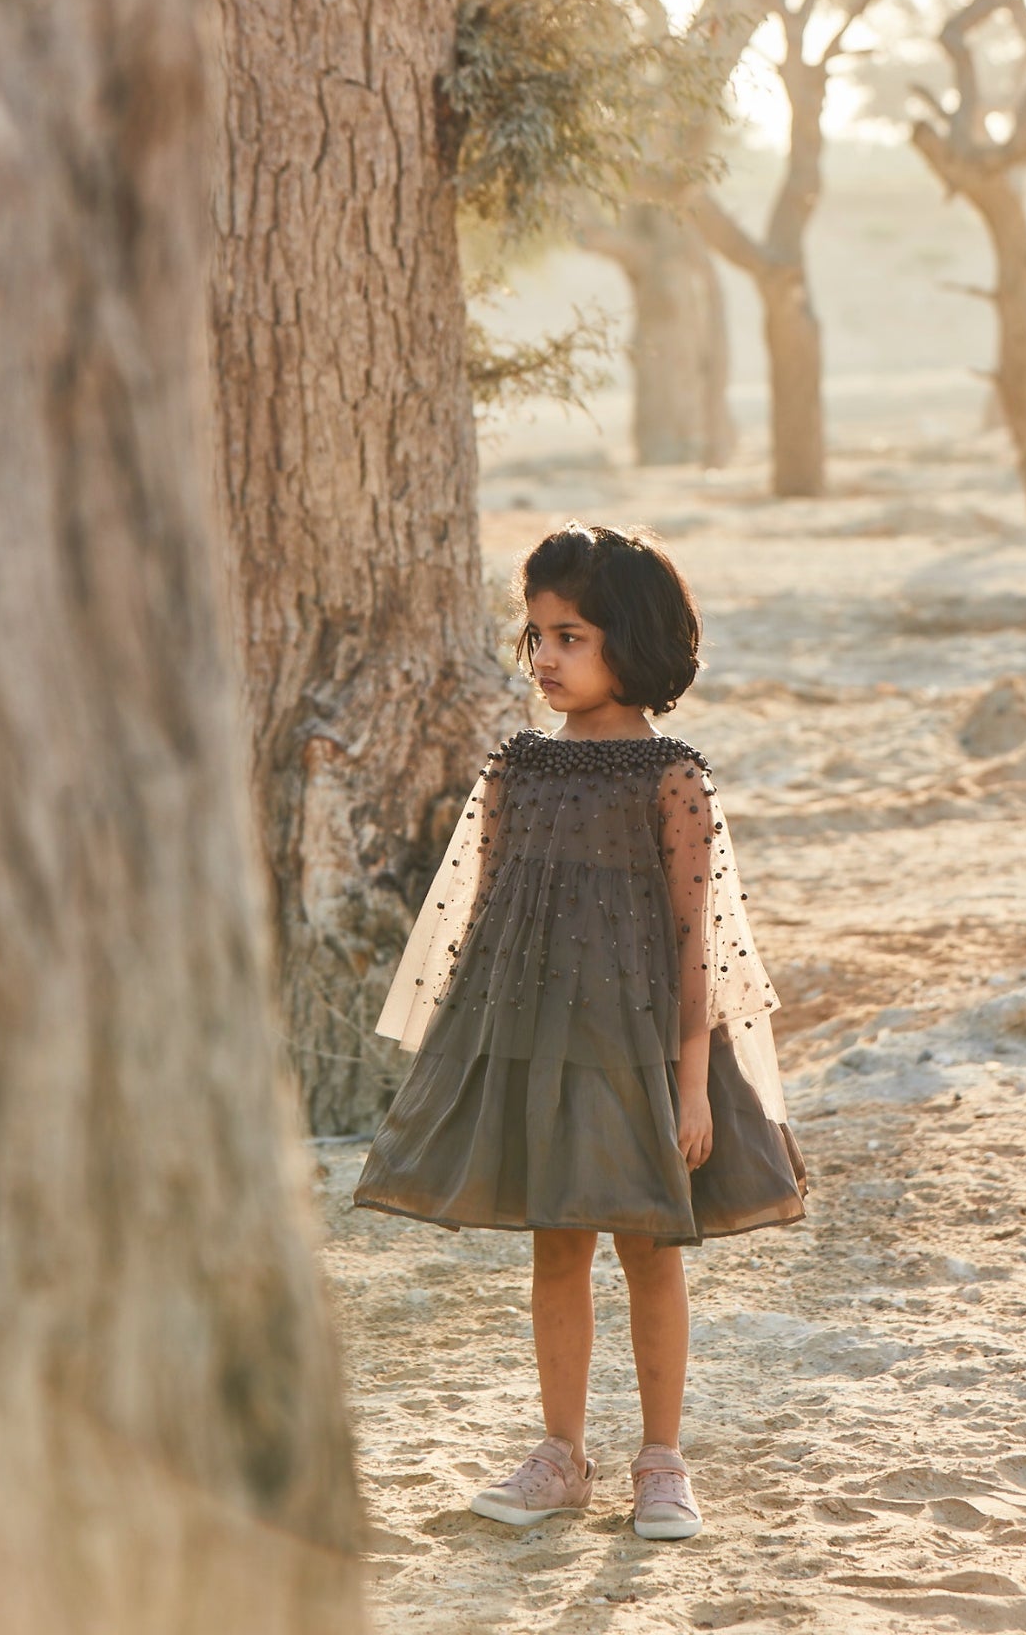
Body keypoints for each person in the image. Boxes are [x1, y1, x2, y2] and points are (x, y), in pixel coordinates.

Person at [354, 522, 807, 1540]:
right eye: (535, 637)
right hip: (539, 1045)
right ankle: (561, 1452)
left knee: (650, 1244)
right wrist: (474, 1064)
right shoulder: (515, 772)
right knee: (556, 1243)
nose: (546, 658)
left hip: (642, 1050)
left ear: (631, 642)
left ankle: (661, 1458)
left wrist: (692, 1086)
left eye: (571, 636)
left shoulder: (672, 779)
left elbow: (698, 944)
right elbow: (487, 921)